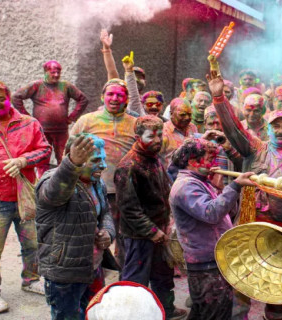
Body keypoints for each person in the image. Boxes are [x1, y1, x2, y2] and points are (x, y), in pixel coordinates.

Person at [209, 69, 282, 320]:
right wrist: (219, 100)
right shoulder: (256, 148)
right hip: (251, 224)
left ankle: (274, 315)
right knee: (243, 278)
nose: (280, 130)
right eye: (275, 126)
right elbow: (235, 131)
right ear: (268, 129)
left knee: (276, 281)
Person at [0, 80, 52, 314]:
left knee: (32, 242)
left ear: (9, 98)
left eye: (1, 98)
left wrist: (23, 161)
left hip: (26, 196)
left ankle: (31, 280)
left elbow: (45, 150)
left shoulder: (29, 123)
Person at [169, 138, 255, 320]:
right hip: (205, 266)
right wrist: (235, 186)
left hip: (212, 260)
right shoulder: (186, 186)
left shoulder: (200, 181)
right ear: (192, 161)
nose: (214, 164)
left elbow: (224, 213)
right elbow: (211, 213)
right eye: (210, 159)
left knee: (204, 313)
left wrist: (220, 188)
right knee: (215, 313)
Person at [114, 116, 187, 320]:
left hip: (161, 231)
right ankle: (131, 315)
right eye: (150, 136)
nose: (157, 140)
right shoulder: (128, 167)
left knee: (163, 275)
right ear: (137, 137)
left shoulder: (155, 158)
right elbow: (129, 209)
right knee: (136, 280)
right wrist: (152, 232)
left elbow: (165, 189)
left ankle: (166, 310)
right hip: (140, 236)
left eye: (160, 134)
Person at [35, 133, 115, 320]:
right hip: (65, 273)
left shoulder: (97, 183)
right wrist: (72, 165)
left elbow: (106, 213)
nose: (103, 166)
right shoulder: (51, 181)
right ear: (74, 159)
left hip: (92, 267)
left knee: (93, 313)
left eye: (103, 159)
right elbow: (54, 195)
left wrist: (109, 233)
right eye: (95, 160)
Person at [70, 78, 137, 266]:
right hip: (92, 189)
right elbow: (70, 152)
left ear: (126, 99)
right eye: (110, 94)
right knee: (93, 235)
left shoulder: (135, 123)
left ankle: (123, 279)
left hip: (125, 191)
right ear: (102, 97)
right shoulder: (87, 120)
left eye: (119, 95)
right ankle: (92, 274)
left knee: (124, 237)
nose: (114, 98)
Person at [12, 60, 88, 170]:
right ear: (45, 72)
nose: (56, 75)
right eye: (53, 72)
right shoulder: (37, 85)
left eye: (58, 72)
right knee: (42, 159)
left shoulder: (65, 86)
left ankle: (62, 183)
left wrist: (72, 117)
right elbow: (16, 97)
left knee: (64, 158)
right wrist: (27, 117)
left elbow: (83, 99)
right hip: (42, 131)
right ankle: (43, 183)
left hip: (61, 131)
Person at [160, 97, 198, 171]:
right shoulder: (163, 131)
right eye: (182, 115)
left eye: (189, 114)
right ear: (171, 114)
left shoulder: (192, 127)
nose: (187, 118)